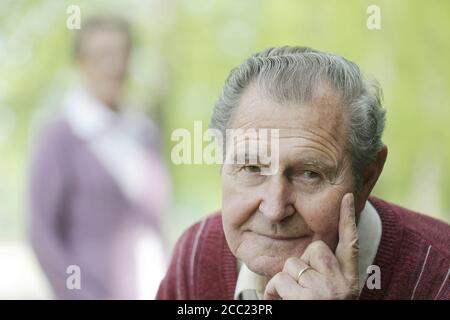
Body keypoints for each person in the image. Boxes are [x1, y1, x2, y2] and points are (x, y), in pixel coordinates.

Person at [157, 46, 450, 300]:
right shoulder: (196, 256)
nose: (274, 210)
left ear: (367, 178)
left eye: (309, 174)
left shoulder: (440, 276)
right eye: (252, 167)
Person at [28, 17, 170, 299]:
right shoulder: (60, 137)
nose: (114, 65)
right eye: (103, 55)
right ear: (81, 62)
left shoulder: (144, 133)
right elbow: (42, 234)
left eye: (122, 53)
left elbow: (154, 222)